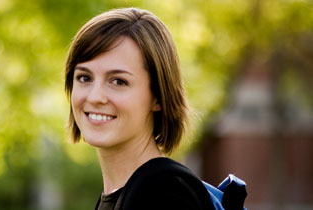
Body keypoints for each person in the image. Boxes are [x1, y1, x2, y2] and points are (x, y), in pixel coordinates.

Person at [65, 8, 215, 210]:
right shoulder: (122, 194)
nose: (95, 97)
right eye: (85, 78)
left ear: (158, 97)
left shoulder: (166, 195)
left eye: (118, 81)